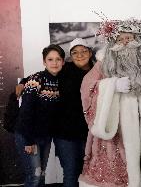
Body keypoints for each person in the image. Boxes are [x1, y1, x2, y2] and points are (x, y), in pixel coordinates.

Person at [79, 18, 141, 187]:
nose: (125, 43)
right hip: (118, 129)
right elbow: (88, 88)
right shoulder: (103, 63)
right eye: (120, 39)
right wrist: (112, 86)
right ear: (113, 42)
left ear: (136, 39)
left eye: (128, 38)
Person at [16, 38, 94, 187]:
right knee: (61, 173)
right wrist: (22, 83)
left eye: (83, 51)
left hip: (86, 132)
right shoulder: (65, 70)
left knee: (81, 172)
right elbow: (39, 79)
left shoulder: (96, 71)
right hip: (61, 133)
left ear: (90, 53)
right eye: (75, 52)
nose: (80, 55)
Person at [14, 44, 65, 187]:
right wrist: (29, 141)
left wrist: (23, 81)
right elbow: (25, 112)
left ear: (63, 62)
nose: (54, 63)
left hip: (45, 136)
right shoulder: (37, 79)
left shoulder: (61, 79)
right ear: (44, 62)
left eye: (58, 59)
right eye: (50, 59)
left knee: (41, 174)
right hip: (28, 135)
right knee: (34, 176)